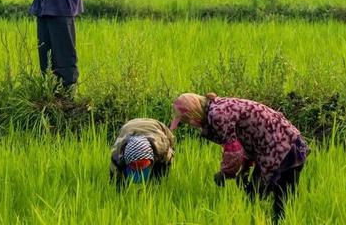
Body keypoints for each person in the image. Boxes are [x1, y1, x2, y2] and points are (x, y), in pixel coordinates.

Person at [170, 93, 310, 223]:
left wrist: (225, 173)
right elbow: (249, 137)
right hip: (289, 144)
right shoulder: (219, 107)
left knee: (258, 198)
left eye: (187, 120)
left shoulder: (217, 115)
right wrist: (245, 168)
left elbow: (233, 150)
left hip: (280, 149)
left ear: (194, 113)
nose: (191, 124)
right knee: (280, 200)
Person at [110, 118, 175, 186]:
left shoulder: (162, 147)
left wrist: (160, 181)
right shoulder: (117, 153)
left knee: (158, 176)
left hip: (156, 127)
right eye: (134, 167)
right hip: (129, 126)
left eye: (143, 166)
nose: (139, 169)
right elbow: (114, 175)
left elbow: (167, 165)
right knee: (120, 178)